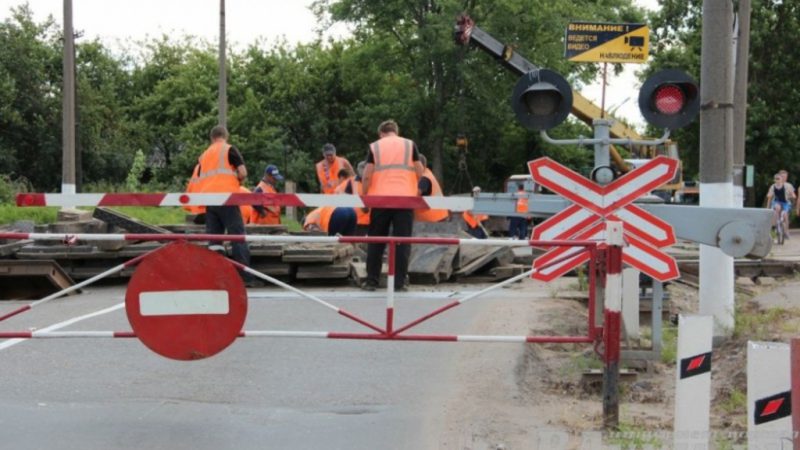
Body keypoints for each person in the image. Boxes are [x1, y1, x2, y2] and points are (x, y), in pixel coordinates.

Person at [361, 120, 424, 291]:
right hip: (405, 200)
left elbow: (367, 175)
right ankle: (399, 283)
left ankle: (371, 281)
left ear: (381, 133)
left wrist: (365, 198)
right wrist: (419, 193)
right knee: (402, 242)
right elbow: (420, 171)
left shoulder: (376, 146)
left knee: (376, 241)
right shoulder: (409, 145)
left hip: (380, 200)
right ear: (396, 131)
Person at [194, 125, 256, 286]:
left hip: (210, 200)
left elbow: (200, 178)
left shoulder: (204, 155)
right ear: (225, 136)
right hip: (227, 199)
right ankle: (245, 277)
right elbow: (242, 172)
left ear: (211, 138)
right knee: (237, 236)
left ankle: (217, 277)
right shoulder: (229, 150)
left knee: (215, 241)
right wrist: (237, 180)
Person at [415, 154, 449, 223]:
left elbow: (414, 195)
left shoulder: (424, 179)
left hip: (433, 220)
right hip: (439, 216)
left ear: (419, 166)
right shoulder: (427, 173)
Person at [766, 172, 795, 239]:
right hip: (777, 202)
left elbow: (793, 194)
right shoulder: (773, 186)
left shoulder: (787, 186)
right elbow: (769, 196)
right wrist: (769, 196)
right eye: (776, 179)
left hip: (785, 202)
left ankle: (786, 231)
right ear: (774, 180)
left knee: (785, 215)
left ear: (781, 179)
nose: (777, 180)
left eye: (778, 179)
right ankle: (774, 227)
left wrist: (792, 196)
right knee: (777, 208)